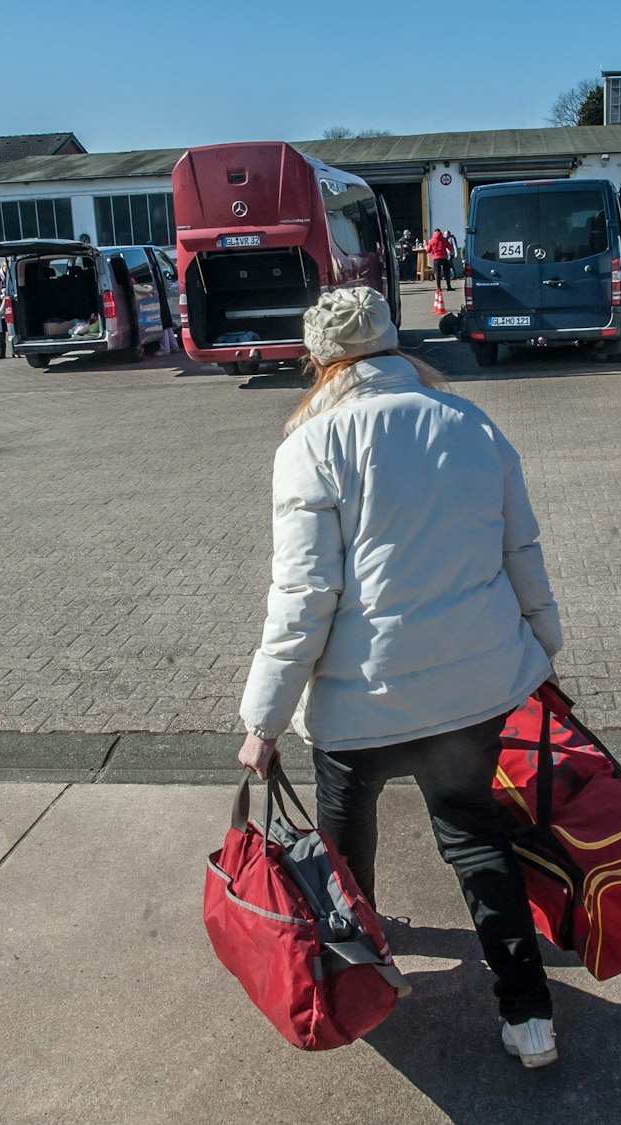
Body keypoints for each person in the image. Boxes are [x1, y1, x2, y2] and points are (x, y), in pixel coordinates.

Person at [235, 286, 563, 1068]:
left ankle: (365, 978)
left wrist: (263, 721)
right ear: (393, 343)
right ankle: (529, 1020)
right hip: (471, 698)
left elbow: (305, 599)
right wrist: (543, 649)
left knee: (346, 851)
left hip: (361, 707)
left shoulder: (309, 446)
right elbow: (521, 550)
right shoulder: (471, 424)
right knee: (476, 841)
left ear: (321, 360)